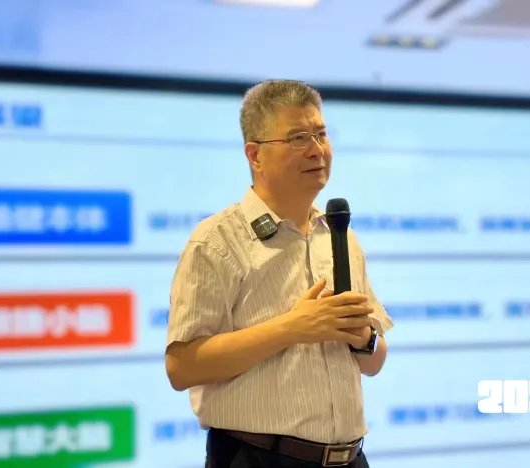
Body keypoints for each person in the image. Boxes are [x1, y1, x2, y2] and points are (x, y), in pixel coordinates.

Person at [165, 79, 393, 468]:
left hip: (350, 458)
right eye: (298, 138)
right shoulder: (217, 240)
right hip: (259, 458)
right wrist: (291, 328)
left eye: (321, 134)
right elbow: (182, 367)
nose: (317, 149)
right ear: (255, 155)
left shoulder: (340, 235)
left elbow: (374, 361)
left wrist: (363, 338)